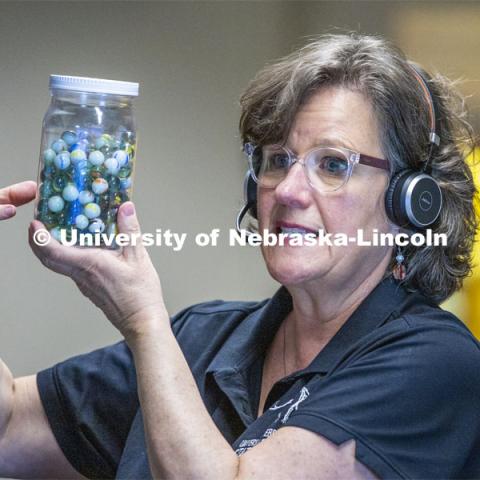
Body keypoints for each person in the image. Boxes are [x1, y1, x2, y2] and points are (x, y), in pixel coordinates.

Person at [1, 33, 480, 480]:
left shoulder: (436, 363)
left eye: (333, 164)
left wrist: (145, 323)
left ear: (412, 201)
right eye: (277, 160)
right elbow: (8, 426)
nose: (289, 190)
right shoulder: (202, 338)